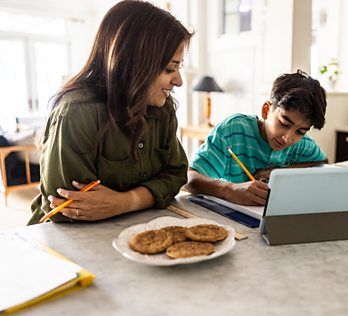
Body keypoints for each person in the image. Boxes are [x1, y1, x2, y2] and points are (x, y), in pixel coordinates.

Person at [28, 1, 193, 224]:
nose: (179, 81)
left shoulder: (163, 110)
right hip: (63, 240)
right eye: (169, 68)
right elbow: (68, 209)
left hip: (134, 228)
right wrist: (147, 195)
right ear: (135, 63)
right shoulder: (77, 112)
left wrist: (126, 201)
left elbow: (176, 174)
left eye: (178, 67)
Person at [184, 70, 328, 206]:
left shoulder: (300, 144)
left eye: (301, 131)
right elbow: (189, 179)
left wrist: (281, 171)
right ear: (266, 110)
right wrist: (229, 190)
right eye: (284, 123)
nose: (288, 138)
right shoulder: (233, 130)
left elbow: (323, 162)